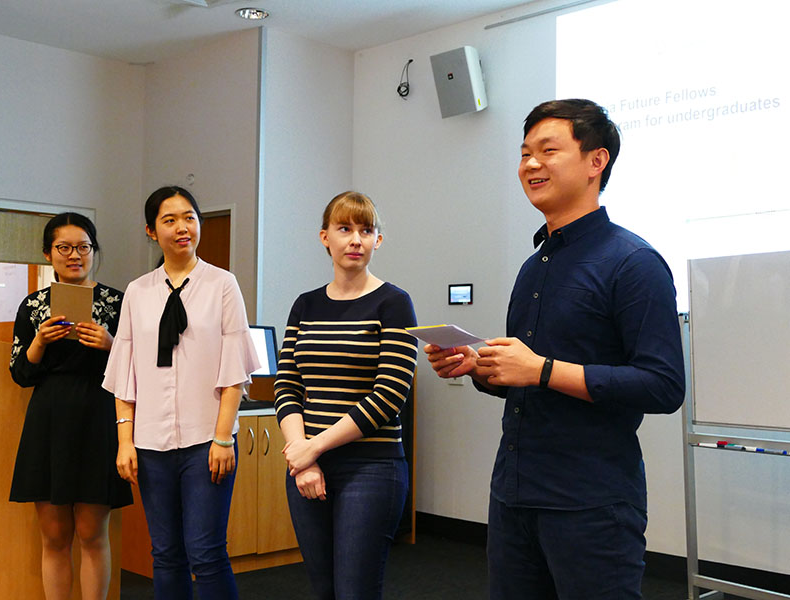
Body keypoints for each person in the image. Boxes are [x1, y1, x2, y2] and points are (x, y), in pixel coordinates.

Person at [425, 99, 685, 600]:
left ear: (596, 161)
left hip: (592, 504)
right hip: (514, 496)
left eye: (548, 150)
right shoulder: (534, 265)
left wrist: (540, 369)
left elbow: (663, 385)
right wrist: (481, 367)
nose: (531, 164)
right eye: (525, 153)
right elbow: (527, 380)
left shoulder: (634, 262)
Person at [102, 185, 259, 599]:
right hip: (150, 444)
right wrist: (125, 441)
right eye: (169, 220)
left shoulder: (222, 285)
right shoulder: (138, 292)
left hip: (206, 441)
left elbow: (234, 371)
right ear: (151, 231)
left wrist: (223, 438)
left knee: (206, 553)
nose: (182, 228)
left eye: (189, 218)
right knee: (166, 554)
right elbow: (125, 373)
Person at [274, 191, 418, 600]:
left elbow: (390, 395)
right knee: (324, 590)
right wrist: (302, 456)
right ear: (325, 237)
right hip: (307, 466)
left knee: (355, 591)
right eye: (344, 229)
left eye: (366, 230)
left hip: (371, 468)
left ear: (378, 240)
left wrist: (313, 447)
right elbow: (287, 385)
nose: (356, 239)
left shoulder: (394, 303)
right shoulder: (305, 305)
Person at [9, 212, 132, 600]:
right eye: (64, 247)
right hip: (48, 419)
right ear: (48, 253)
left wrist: (111, 345)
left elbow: (141, 369)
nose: (74, 255)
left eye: (83, 247)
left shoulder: (118, 303)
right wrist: (40, 341)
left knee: (93, 534)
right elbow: (19, 373)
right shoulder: (33, 306)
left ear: (94, 250)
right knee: (54, 535)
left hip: (99, 416)